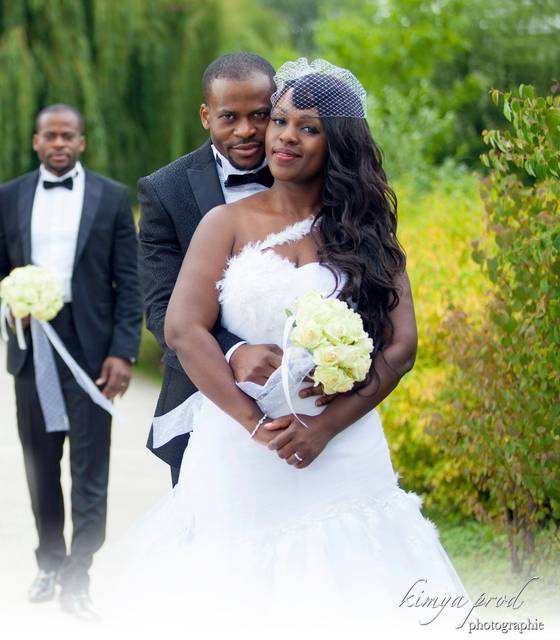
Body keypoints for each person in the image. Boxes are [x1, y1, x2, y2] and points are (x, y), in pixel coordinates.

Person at [119, 59, 466, 631]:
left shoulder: (367, 228)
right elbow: (180, 328)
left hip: (345, 445)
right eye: (279, 121)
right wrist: (255, 424)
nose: (281, 135)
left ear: (339, 142)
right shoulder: (223, 223)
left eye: (308, 127)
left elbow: (402, 345)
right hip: (240, 445)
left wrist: (327, 427)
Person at [139, 52, 330, 486]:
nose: (246, 130)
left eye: (260, 115)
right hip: (204, 401)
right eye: (229, 117)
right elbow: (161, 306)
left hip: (310, 405)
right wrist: (233, 352)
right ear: (206, 116)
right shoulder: (165, 191)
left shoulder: (318, 177)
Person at [0, 104, 141, 619]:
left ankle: (79, 575)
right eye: (49, 136)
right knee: (40, 461)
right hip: (33, 348)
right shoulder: (9, 197)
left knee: (91, 465)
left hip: (92, 348)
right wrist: (9, 303)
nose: (58, 143)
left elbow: (130, 282)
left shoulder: (113, 198)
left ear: (81, 142)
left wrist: (123, 351)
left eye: (67, 135)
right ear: (35, 142)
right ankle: (48, 560)